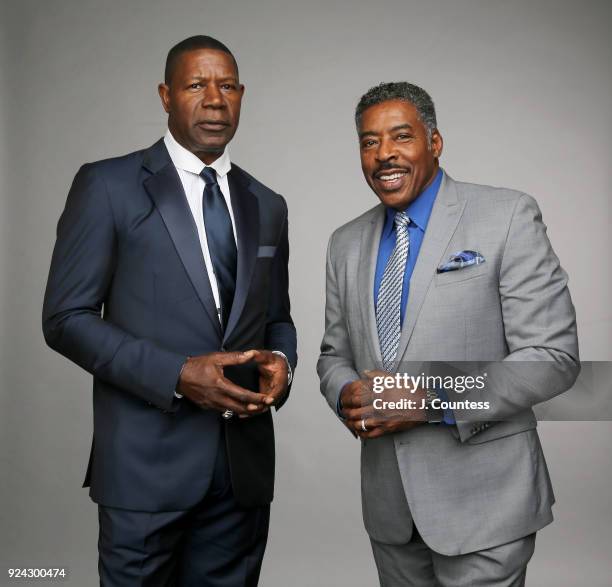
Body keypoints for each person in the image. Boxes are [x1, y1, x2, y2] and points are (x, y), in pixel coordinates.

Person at [42, 35, 296, 586]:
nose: (214, 99)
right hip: (143, 474)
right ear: (165, 95)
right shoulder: (108, 186)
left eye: (227, 85)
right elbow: (65, 319)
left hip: (241, 475)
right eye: (196, 85)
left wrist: (283, 361)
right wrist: (177, 374)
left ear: (242, 95)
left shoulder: (267, 204)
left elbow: (276, 318)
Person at [317, 82, 579, 586]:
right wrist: (346, 390)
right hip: (391, 510)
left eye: (400, 136)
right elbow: (334, 352)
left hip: (486, 503)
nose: (384, 154)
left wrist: (432, 398)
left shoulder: (506, 216)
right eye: (369, 142)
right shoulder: (345, 243)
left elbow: (553, 358)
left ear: (434, 143)